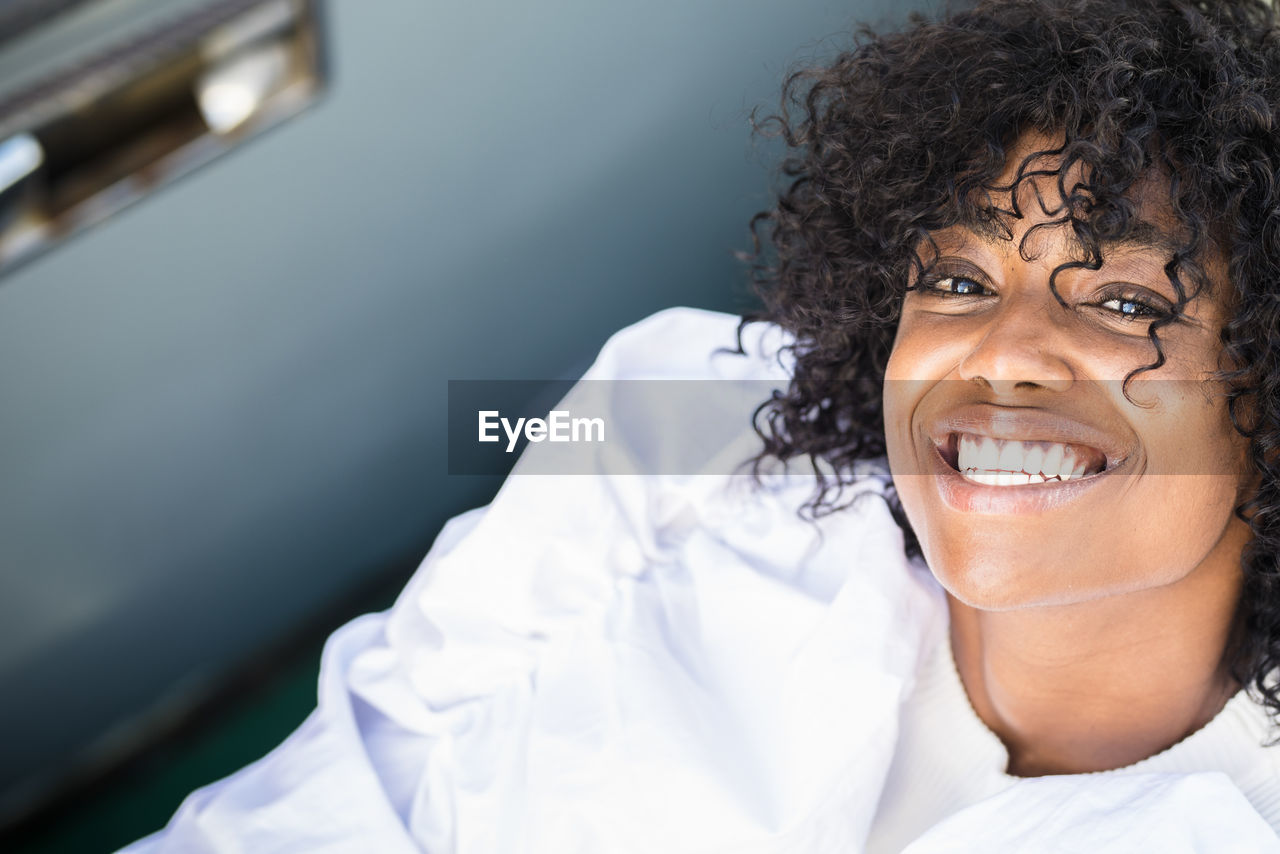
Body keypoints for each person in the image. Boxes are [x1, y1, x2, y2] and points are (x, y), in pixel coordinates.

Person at [122, 0, 1280, 850]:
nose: (1000, 350)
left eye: (1125, 301)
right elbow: (347, 786)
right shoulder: (680, 412)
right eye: (959, 282)